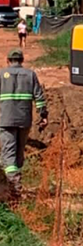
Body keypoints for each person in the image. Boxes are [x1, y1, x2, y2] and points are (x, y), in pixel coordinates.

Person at [0, 49, 47, 200]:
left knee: (9, 153)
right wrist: (43, 115)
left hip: (5, 120)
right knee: (19, 153)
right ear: (22, 60)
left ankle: (14, 188)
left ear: (8, 60)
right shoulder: (30, 74)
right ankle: (15, 182)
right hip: (24, 119)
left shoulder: (1, 74)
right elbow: (39, 97)